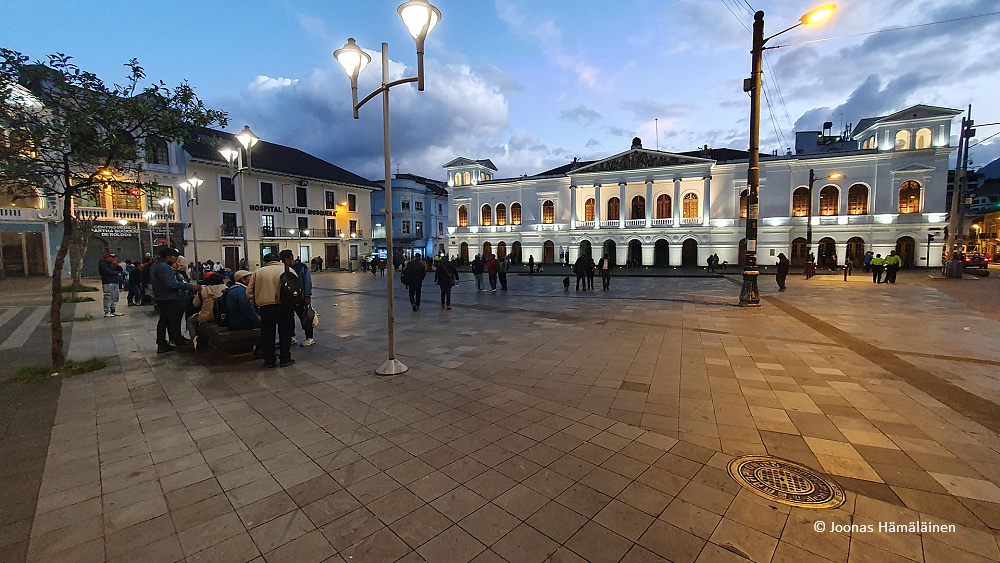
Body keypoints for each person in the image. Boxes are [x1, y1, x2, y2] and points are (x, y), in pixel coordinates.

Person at [248, 253, 295, 368]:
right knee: (285, 332)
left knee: (267, 334)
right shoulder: (288, 270)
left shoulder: (258, 272)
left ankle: (269, 360)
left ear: (265, 262)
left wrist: (255, 302)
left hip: (266, 306)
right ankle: (285, 358)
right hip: (284, 305)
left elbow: (249, 291)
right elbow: (297, 287)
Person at [151, 248, 200, 354]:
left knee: (164, 321)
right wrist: (191, 286)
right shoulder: (165, 267)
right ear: (168, 257)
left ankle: (164, 342)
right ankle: (177, 341)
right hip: (171, 298)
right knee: (174, 321)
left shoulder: (155, 266)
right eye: (175, 258)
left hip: (161, 297)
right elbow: (171, 284)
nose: (176, 260)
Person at [281, 250, 315, 347]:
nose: (283, 262)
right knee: (289, 318)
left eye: (284, 260)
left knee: (305, 317)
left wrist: (307, 296)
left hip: (301, 298)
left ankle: (309, 338)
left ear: (290, 258)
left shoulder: (302, 267)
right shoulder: (285, 268)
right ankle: (292, 337)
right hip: (289, 298)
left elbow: (307, 281)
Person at [188, 273, 227, 349]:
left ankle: (195, 339)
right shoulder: (226, 289)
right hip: (222, 316)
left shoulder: (204, 290)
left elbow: (195, 304)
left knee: (190, 321)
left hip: (206, 317)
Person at [98, 253, 124, 318]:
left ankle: (113, 309)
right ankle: (107, 311)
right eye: (112, 257)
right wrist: (117, 273)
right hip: (108, 283)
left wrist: (117, 266)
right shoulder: (103, 265)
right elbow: (110, 273)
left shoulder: (112, 264)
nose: (114, 259)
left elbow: (120, 270)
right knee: (108, 297)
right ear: (108, 258)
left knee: (115, 297)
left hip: (115, 282)